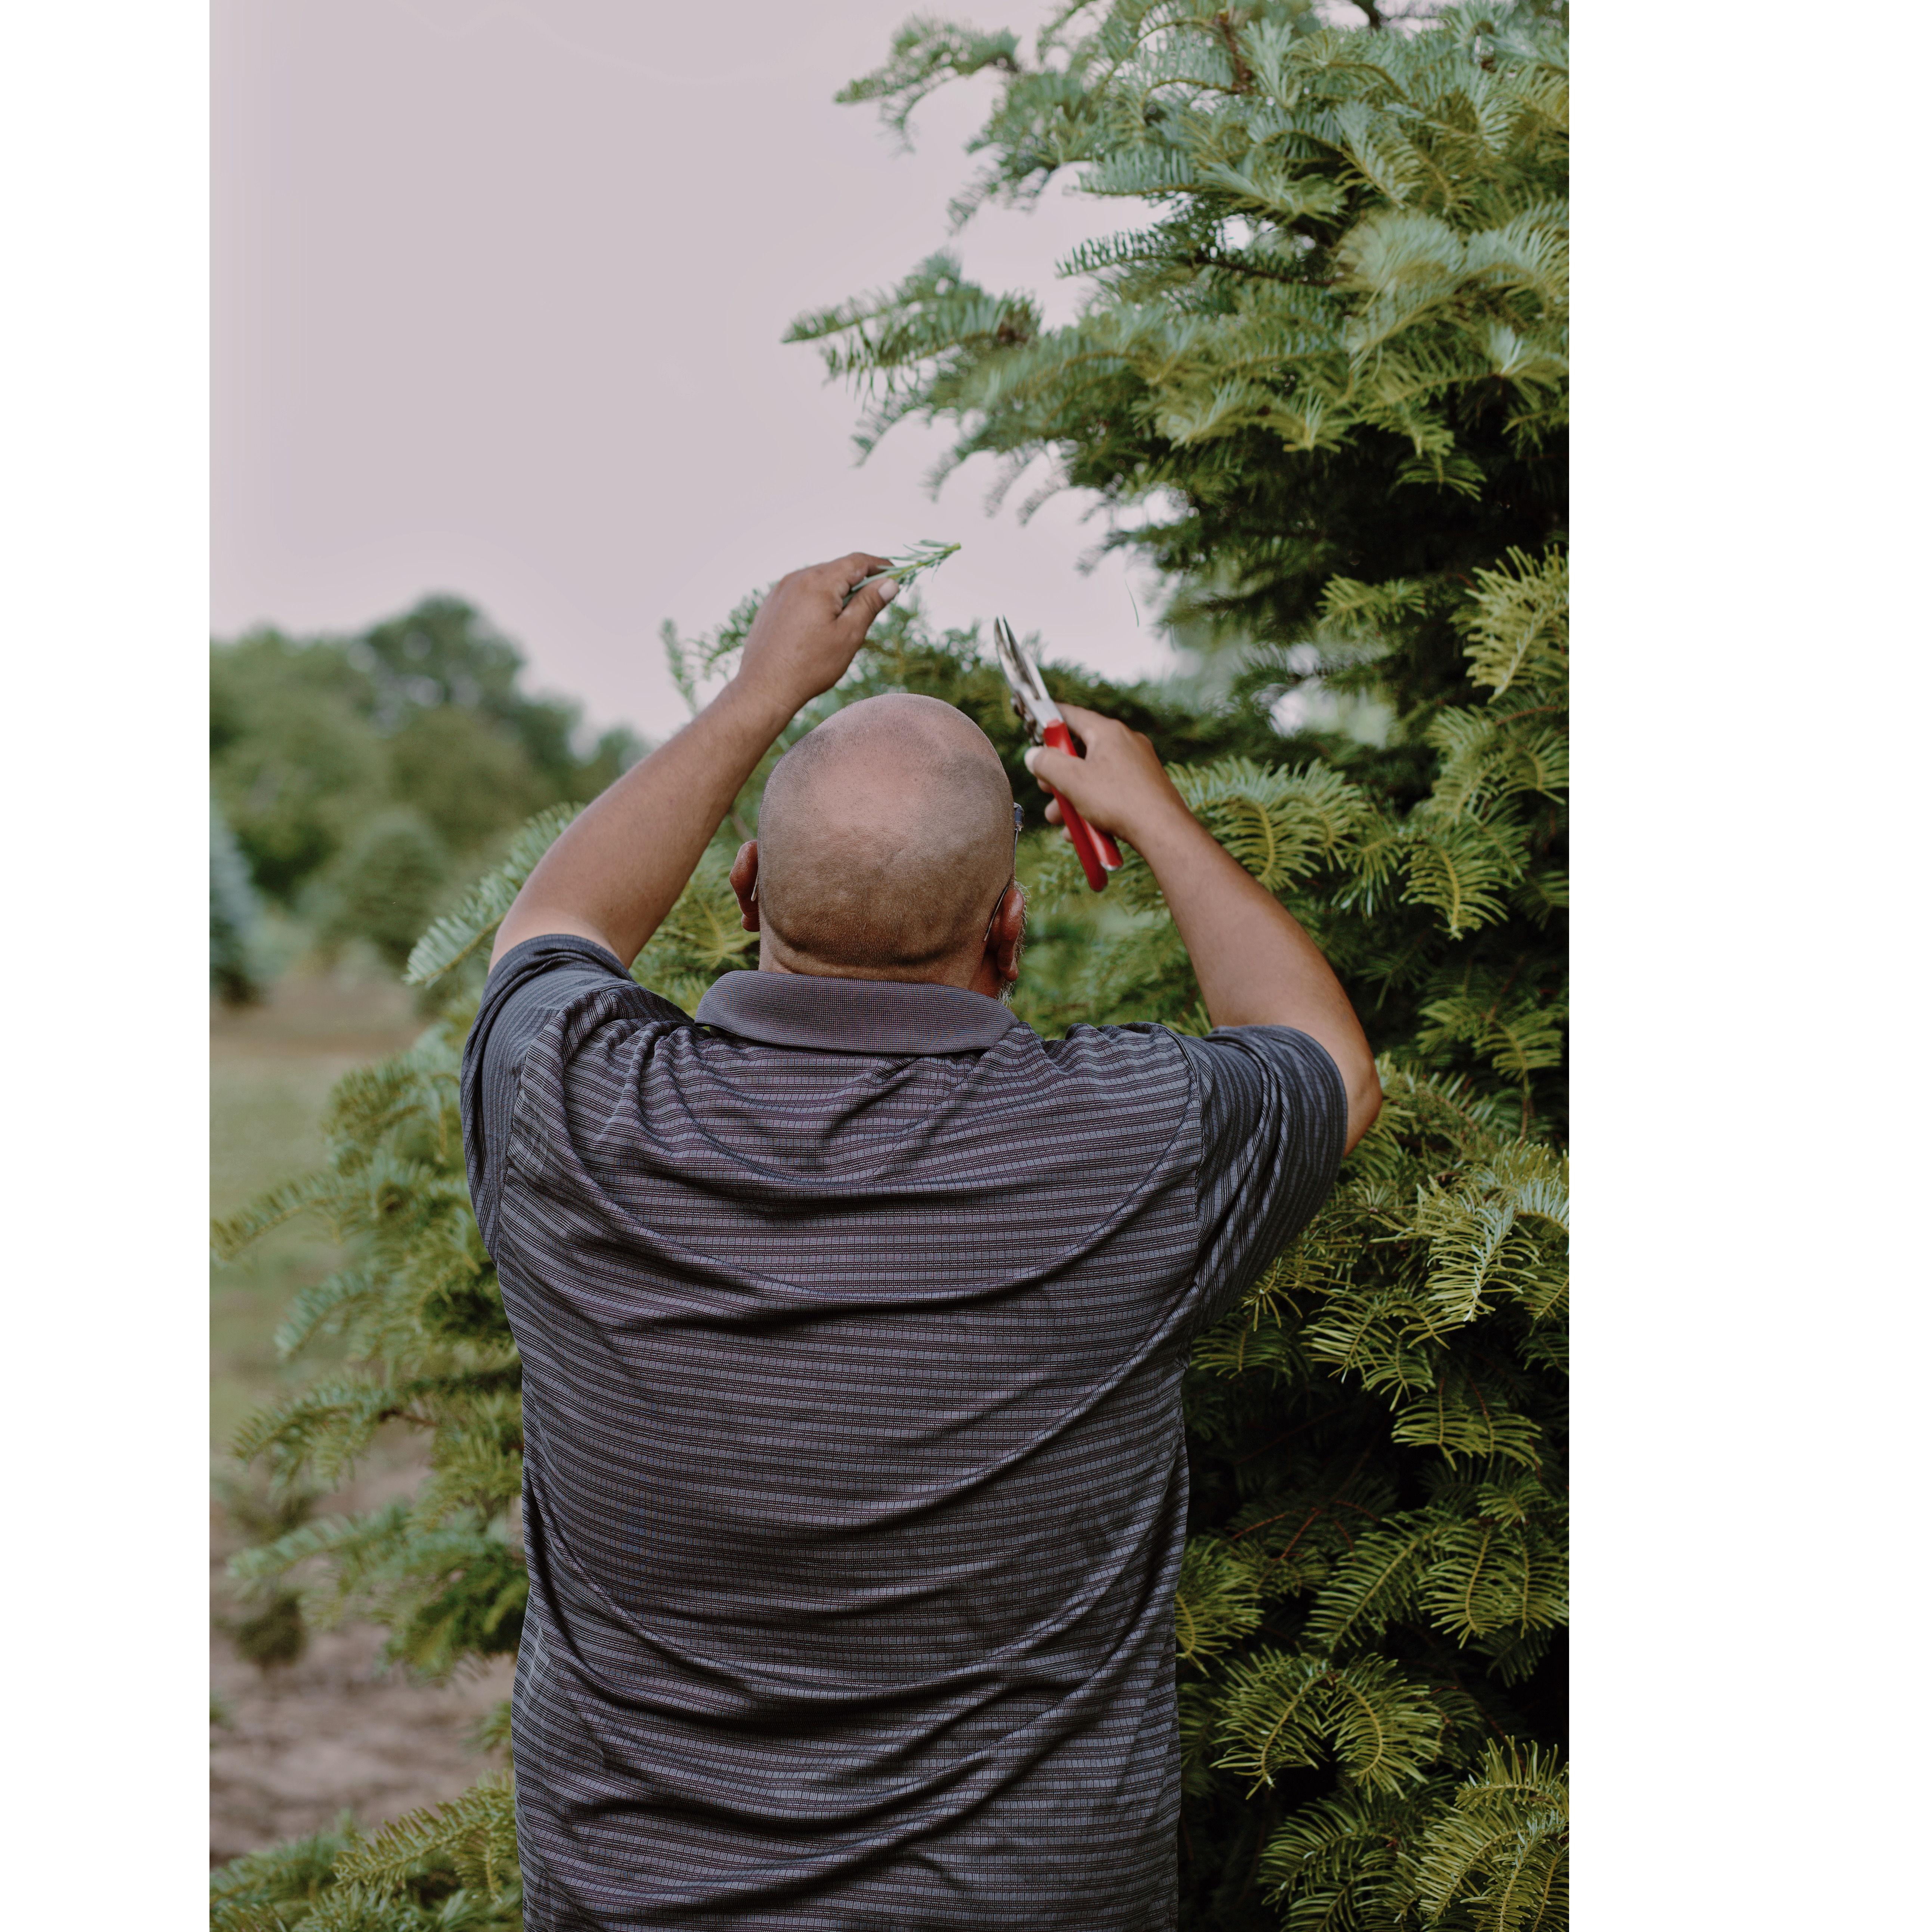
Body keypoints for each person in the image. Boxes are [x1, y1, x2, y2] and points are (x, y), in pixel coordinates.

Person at [460, 551, 1381, 1931]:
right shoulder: (1129, 1141)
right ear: (1010, 932)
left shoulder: (574, 1103)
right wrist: (1152, 812)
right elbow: (1324, 1062)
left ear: (751, 886)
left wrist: (763, 693)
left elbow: (554, 926)